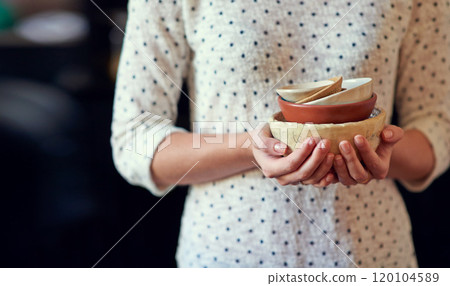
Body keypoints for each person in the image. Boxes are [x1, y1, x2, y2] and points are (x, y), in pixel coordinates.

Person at [111, 0, 449, 267]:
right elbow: (134, 137)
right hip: (227, 259)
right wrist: (251, 148)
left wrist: (371, 148)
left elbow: (439, 128)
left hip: (372, 258)